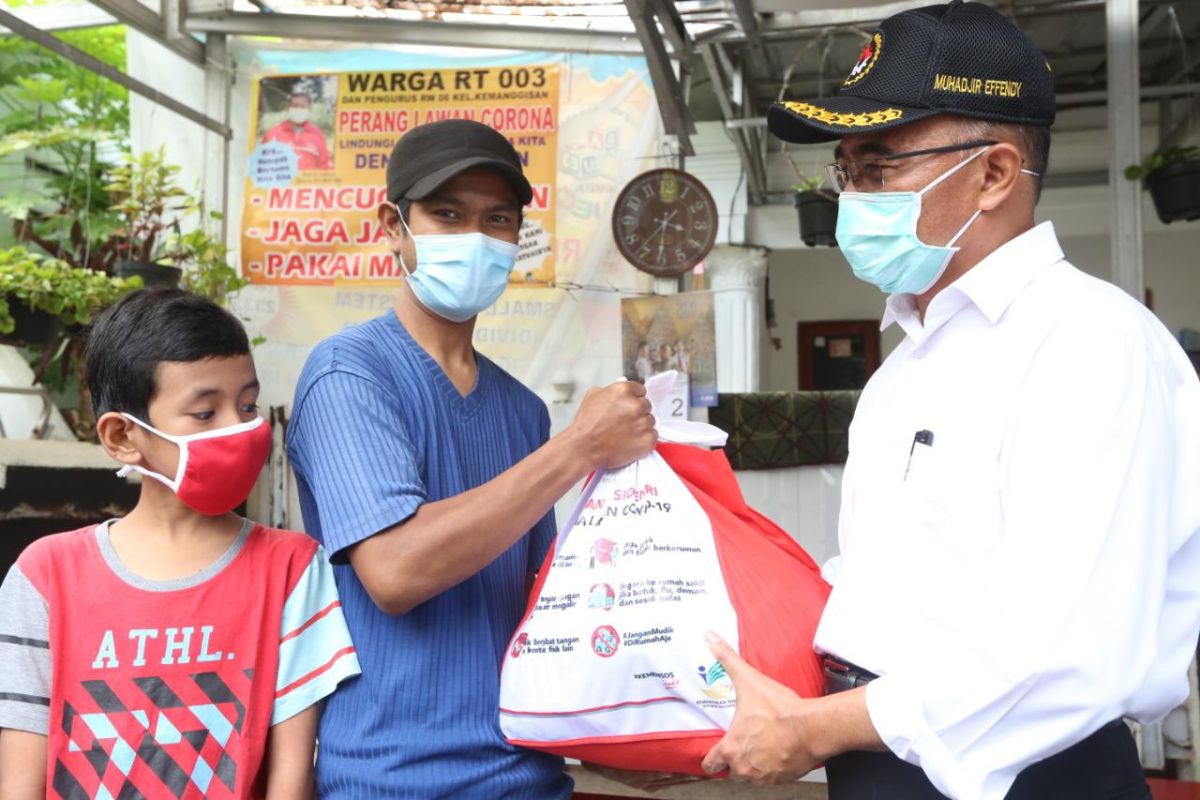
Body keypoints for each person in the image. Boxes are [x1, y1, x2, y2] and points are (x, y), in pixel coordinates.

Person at [694, 2, 1200, 799]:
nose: (853, 196)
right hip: (880, 759)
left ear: (995, 173)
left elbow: (1065, 653)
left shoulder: (1090, 345)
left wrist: (811, 731)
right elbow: (885, 594)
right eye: (846, 171)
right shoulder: (907, 365)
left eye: (879, 167)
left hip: (1025, 776)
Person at [285, 119, 656, 798]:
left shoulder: (522, 411)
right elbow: (396, 571)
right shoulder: (348, 374)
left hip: (528, 774)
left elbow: (539, 608)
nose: (474, 238)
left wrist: (634, 722)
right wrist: (576, 448)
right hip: (391, 779)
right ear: (392, 226)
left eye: (497, 219)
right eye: (447, 214)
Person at [0, 288, 360, 799]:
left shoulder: (294, 568)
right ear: (124, 436)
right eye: (205, 413)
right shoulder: (44, 576)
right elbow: (19, 781)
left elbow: (292, 774)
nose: (242, 430)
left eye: (248, 405)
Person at [263, 91, 333, 171]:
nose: (299, 109)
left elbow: (325, 165)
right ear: (288, 108)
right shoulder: (273, 133)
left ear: (309, 109)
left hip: (309, 183)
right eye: (295, 106)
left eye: (303, 107)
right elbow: (264, 166)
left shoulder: (317, 134)